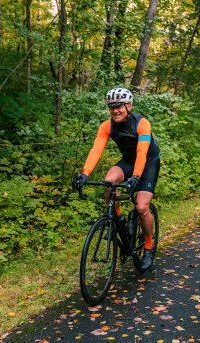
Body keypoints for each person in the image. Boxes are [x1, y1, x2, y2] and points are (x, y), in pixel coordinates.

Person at [73, 88, 160, 271]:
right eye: (111, 107)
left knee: (142, 207)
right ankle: (119, 220)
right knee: (109, 180)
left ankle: (149, 247)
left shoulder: (142, 124)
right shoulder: (107, 126)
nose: (115, 111)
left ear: (129, 106)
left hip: (148, 163)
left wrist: (136, 177)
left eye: (119, 106)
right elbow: (96, 150)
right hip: (128, 161)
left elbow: (142, 152)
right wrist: (85, 174)